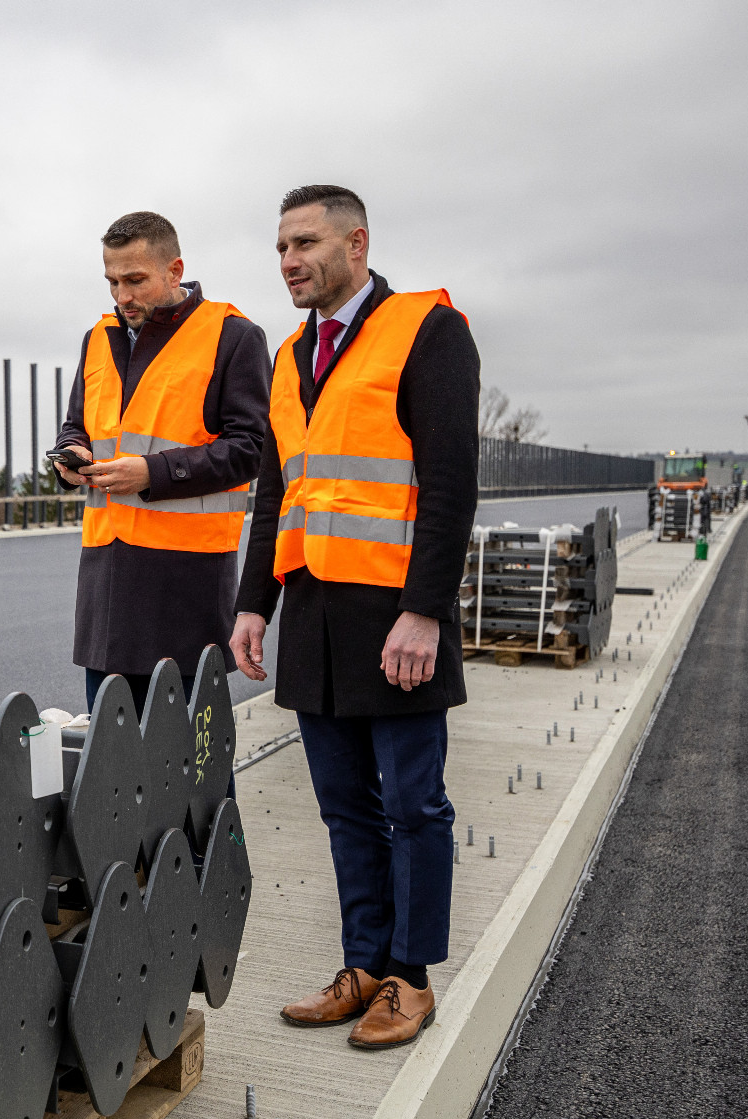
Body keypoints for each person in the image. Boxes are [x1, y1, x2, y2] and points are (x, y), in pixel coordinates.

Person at [229, 185, 479, 1050]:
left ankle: (411, 978)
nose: (290, 261)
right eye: (281, 248)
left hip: (393, 616)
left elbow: (450, 486)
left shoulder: (425, 331)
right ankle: (364, 965)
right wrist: (254, 604)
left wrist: (425, 612)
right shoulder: (292, 356)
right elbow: (276, 494)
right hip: (314, 618)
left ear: (357, 244)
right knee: (345, 809)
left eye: (305, 243)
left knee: (414, 806)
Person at [52, 211, 269, 711]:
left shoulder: (233, 336)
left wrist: (153, 473)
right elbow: (76, 424)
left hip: (186, 583)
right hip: (105, 580)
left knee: (185, 750)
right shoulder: (98, 337)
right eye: (112, 282)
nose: (122, 296)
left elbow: (252, 448)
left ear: (175, 271)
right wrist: (72, 453)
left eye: (135, 280)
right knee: (111, 748)